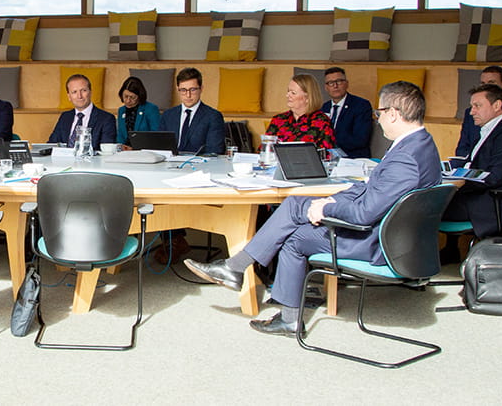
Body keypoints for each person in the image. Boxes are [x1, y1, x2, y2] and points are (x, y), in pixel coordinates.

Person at [185, 81, 441, 336]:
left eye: (379, 113)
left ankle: (242, 273)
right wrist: (331, 200)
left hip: (379, 243)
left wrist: (326, 210)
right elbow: (371, 190)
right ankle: (244, 276)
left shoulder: (405, 158)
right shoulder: (421, 145)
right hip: (393, 235)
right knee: (296, 211)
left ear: (393, 114)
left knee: (294, 226)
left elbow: (364, 214)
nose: (378, 119)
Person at [440, 84, 502, 263]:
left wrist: (461, 181)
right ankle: (441, 254)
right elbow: (474, 163)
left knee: (425, 207)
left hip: (493, 202)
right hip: (478, 196)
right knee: (428, 201)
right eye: (472, 106)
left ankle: (419, 262)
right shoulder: (489, 131)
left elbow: (495, 177)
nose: (472, 112)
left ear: (497, 105)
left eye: (477, 106)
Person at [160, 67, 225, 155]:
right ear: (178, 89)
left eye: (193, 89)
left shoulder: (213, 116)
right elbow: (160, 147)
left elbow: (214, 151)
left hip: (199, 162)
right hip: (169, 162)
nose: (188, 95)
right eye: (183, 90)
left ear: (201, 89)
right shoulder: (168, 115)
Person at [267, 74, 335, 151]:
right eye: (288, 91)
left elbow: (327, 154)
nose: (287, 95)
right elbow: (264, 150)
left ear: (307, 97)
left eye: (293, 93)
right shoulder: (278, 120)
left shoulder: (322, 121)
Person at [47, 74, 116, 150]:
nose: (79, 96)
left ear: (90, 92)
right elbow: (51, 145)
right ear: (69, 96)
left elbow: (106, 151)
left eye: (83, 90)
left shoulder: (106, 118)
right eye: (74, 92)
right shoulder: (65, 117)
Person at [321, 67, 373, 159]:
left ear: (346, 84)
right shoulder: (324, 107)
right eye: (331, 83)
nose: (335, 86)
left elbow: (360, 139)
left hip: (353, 158)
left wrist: (329, 141)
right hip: (328, 158)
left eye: (339, 81)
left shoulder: (361, 105)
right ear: (326, 87)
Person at [115, 76, 161, 148]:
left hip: (144, 151)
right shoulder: (121, 110)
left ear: (139, 96)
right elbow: (120, 136)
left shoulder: (151, 109)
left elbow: (156, 136)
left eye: (132, 97)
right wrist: (120, 147)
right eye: (125, 96)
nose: (128, 101)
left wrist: (134, 149)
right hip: (124, 151)